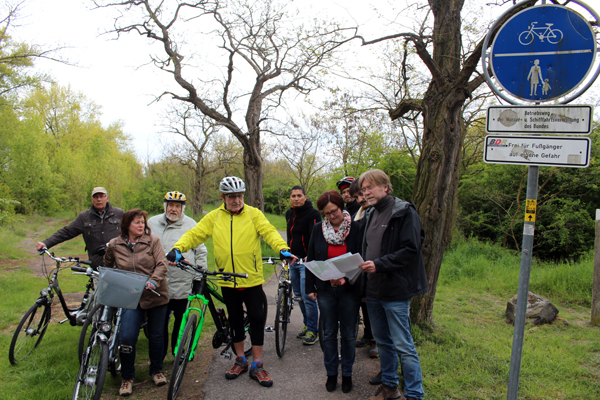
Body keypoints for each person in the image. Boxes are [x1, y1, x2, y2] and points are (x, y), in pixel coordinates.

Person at [166, 176, 294, 388]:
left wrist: (282, 248)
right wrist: (178, 248)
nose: (236, 200)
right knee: (234, 319)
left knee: (256, 318)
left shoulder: (254, 214)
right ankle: (241, 360)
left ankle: (258, 364)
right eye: (232, 196)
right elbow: (195, 234)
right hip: (227, 279)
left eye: (239, 195)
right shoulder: (215, 217)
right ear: (223, 197)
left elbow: (269, 232)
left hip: (250, 278)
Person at [358, 169, 428, 400]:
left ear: (385, 187)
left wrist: (379, 265)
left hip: (396, 291)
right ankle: (390, 388)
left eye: (370, 187)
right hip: (374, 290)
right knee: (383, 342)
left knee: (403, 344)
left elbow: (411, 249)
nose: (366, 192)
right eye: (364, 189)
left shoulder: (404, 212)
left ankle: (415, 394)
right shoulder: (369, 214)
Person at [103, 209, 170, 397]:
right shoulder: (115, 245)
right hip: (130, 297)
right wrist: (111, 281)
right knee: (127, 337)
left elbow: (162, 264)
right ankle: (127, 377)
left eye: (143, 222)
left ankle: (156, 370)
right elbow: (108, 266)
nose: (141, 225)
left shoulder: (153, 241)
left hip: (155, 294)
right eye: (137, 223)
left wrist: (153, 281)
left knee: (156, 335)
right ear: (127, 225)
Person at [305, 190, 362, 394]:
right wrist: (309, 287)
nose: (331, 216)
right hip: (326, 289)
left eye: (334, 211)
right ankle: (331, 374)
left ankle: (347, 374)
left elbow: (361, 259)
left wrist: (346, 279)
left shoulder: (356, 228)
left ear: (341, 208)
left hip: (349, 290)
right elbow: (311, 257)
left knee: (348, 334)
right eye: (327, 213)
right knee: (328, 334)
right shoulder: (319, 229)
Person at [147, 191, 208, 357]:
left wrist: (199, 279)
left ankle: (178, 351)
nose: (173, 209)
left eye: (177, 206)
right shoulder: (152, 223)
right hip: (159, 283)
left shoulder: (191, 224)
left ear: (183, 208)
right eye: (170, 205)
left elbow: (201, 252)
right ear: (165, 206)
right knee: (159, 324)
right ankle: (158, 356)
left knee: (180, 321)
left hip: (182, 282)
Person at [36, 187, 123, 269]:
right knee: (97, 285)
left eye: (101, 196)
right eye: (96, 197)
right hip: (97, 265)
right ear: (92, 199)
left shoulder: (119, 213)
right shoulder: (84, 217)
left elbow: (132, 232)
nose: (99, 199)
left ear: (107, 198)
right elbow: (67, 232)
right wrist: (46, 243)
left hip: (118, 263)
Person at [348, 180, 380, 363]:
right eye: (357, 196)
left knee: (371, 305)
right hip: (359, 266)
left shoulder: (375, 212)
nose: (361, 199)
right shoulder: (359, 214)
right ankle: (368, 335)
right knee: (363, 303)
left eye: (362, 194)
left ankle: (375, 340)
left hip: (374, 267)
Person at [285, 185, 321, 345]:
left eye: (299, 195)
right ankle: (308, 324)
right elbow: (289, 236)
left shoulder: (313, 214)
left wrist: (310, 256)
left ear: (305, 197)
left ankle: (314, 330)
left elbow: (316, 237)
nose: (296, 198)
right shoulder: (289, 214)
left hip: (307, 262)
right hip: (293, 261)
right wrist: (286, 254)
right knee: (298, 296)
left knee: (308, 297)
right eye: (293, 196)